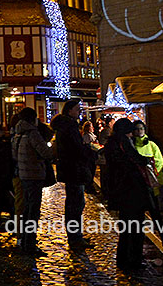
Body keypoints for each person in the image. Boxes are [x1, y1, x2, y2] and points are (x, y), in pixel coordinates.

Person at [105, 118, 157, 271]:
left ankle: (124, 259)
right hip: (131, 189)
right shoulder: (124, 142)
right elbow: (134, 159)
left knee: (126, 227)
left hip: (120, 190)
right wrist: (145, 160)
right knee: (134, 226)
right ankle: (133, 260)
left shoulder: (112, 142)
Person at [51, 98, 97, 249]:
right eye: (77, 109)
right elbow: (75, 149)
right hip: (74, 169)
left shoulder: (65, 126)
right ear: (70, 110)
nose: (80, 112)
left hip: (70, 169)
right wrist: (90, 152)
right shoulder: (69, 126)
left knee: (75, 203)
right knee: (75, 204)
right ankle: (75, 238)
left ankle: (76, 236)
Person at [12, 107, 55, 257]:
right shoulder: (33, 133)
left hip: (23, 175)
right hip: (34, 175)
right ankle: (30, 244)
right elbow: (46, 153)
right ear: (33, 118)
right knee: (33, 211)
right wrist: (54, 147)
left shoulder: (17, 133)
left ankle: (24, 241)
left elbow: (14, 155)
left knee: (26, 209)